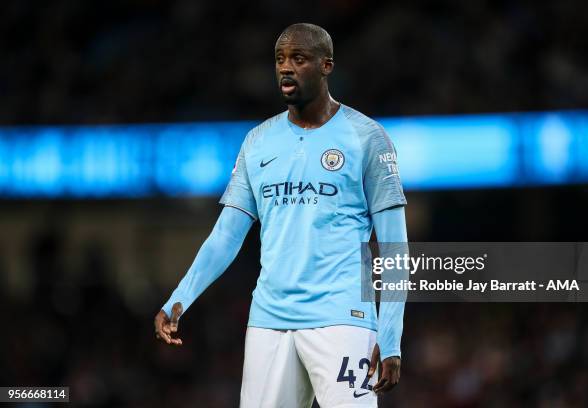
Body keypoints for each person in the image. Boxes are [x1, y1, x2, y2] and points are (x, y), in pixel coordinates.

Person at [154, 23, 408, 407]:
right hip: (269, 320)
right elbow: (226, 235)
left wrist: (390, 336)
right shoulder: (258, 142)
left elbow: (395, 247)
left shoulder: (367, 137)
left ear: (326, 66)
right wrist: (180, 297)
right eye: (280, 59)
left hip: (342, 318)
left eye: (299, 59)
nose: (286, 68)